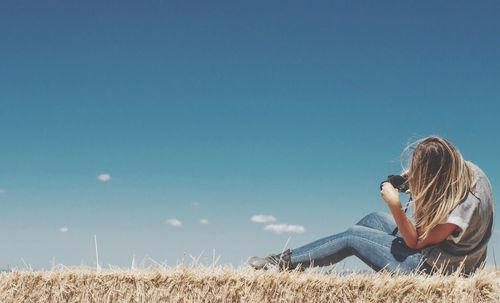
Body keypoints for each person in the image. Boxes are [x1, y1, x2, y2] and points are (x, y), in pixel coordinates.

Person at [248, 136, 495, 275]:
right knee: (372, 220)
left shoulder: (462, 208)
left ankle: (281, 264)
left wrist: (396, 206)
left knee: (353, 237)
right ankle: (308, 261)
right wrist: (414, 177)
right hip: (447, 252)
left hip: (439, 269)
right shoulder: (467, 171)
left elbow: (416, 243)